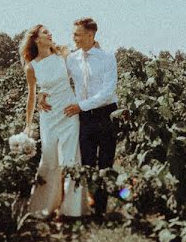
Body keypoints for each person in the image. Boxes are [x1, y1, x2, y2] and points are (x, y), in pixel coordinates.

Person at [39, 17, 118, 217]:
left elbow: (108, 92)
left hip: (106, 114)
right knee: (87, 163)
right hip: (83, 118)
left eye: (77, 34)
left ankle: (100, 210)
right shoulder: (72, 59)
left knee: (106, 163)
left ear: (90, 35)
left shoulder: (107, 58)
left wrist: (81, 106)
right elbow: (56, 78)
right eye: (73, 34)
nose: (73, 38)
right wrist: (42, 92)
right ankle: (91, 205)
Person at [19, 24, 91, 220]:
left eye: (50, 31)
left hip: (68, 111)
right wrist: (27, 124)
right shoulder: (31, 66)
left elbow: (79, 75)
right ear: (36, 39)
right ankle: (44, 207)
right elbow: (31, 96)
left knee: (71, 159)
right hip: (49, 116)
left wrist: (82, 103)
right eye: (45, 32)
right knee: (49, 160)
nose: (50, 34)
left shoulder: (63, 53)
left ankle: (71, 210)